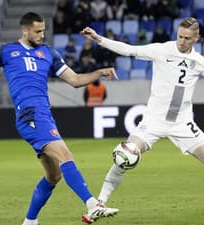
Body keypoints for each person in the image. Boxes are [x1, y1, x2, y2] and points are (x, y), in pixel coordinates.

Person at [0, 12, 119, 225]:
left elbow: (74, 80)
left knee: (54, 176)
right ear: (24, 31)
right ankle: (93, 204)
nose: (42, 35)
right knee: (65, 155)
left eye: (43, 30)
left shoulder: (49, 53)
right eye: (37, 31)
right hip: (30, 114)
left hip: (45, 114)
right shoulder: (5, 51)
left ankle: (30, 222)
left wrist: (99, 72)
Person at [81, 17, 204, 206]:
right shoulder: (161, 50)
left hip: (182, 123)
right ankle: (99, 203)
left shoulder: (198, 61)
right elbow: (129, 49)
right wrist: (99, 38)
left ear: (196, 38)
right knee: (125, 156)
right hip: (153, 121)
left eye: (187, 38)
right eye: (179, 36)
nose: (181, 41)